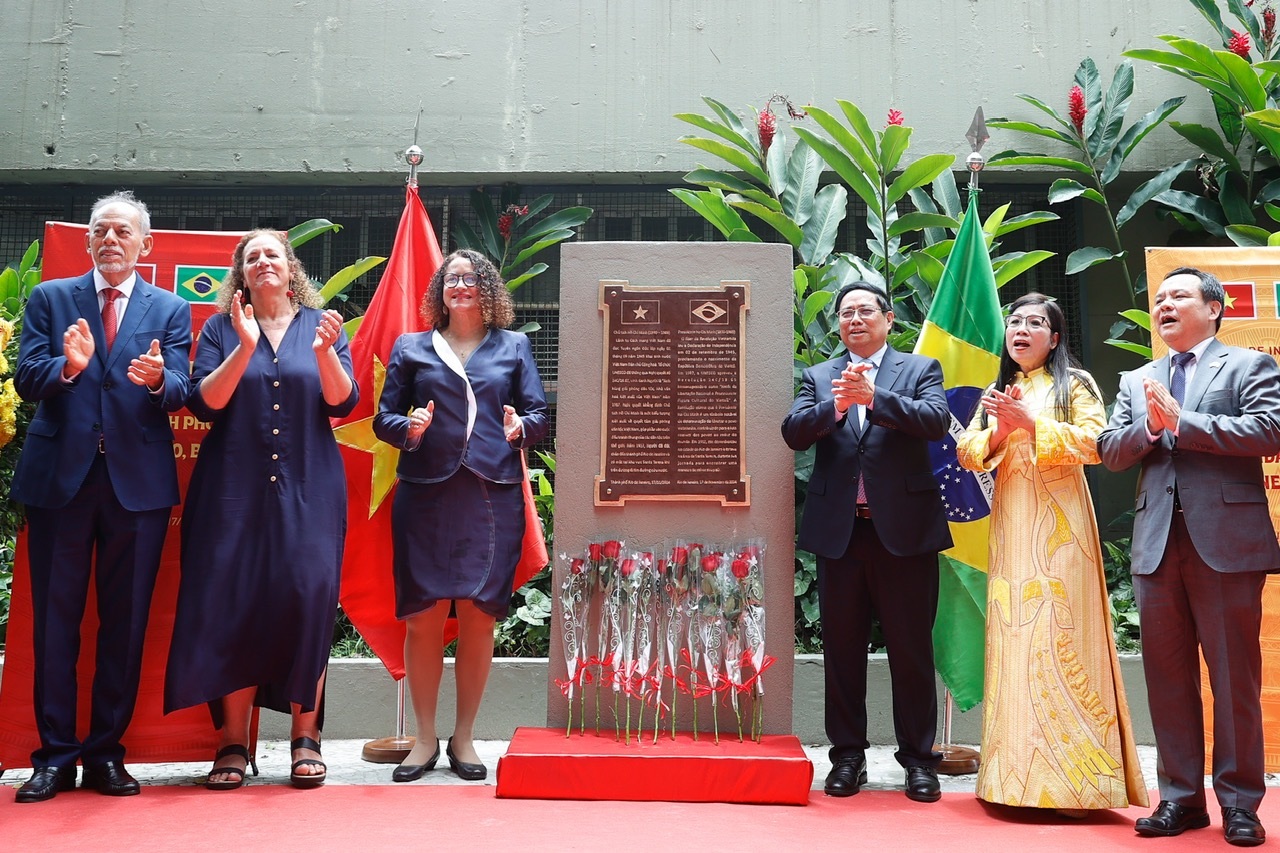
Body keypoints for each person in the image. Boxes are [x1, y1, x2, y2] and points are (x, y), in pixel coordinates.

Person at [10, 190, 192, 802]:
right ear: (88, 241)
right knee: (55, 625)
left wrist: (159, 379)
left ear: (146, 244)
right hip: (61, 482)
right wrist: (66, 366)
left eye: (123, 231)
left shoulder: (169, 308)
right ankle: (54, 757)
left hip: (134, 488)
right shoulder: (51, 298)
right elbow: (26, 376)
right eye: (100, 231)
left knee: (125, 625)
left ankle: (106, 755)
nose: (111, 239)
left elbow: (183, 390)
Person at [164, 229, 358, 791]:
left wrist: (324, 355)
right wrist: (245, 349)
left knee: (308, 598)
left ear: (290, 266)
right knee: (231, 603)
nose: (263, 262)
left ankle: (305, 737)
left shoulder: (321, 325)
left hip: (310, 486)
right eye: (252, 258)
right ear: (241, 275)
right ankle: (230, 741)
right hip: (231, 491)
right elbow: (203, 403)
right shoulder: (221, 329)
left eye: (272, 253)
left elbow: (343, 401)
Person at [1098, 266, 1280, 847]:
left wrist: (1185, 421)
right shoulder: (1138, 378)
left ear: (1215, 308)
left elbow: (1269, 430)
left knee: (1233, 680)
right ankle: (1180, 799)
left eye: (1178, 296)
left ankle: (1240, 804)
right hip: (1157, 547)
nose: (1164, 305)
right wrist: (1150, 432)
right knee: (1167, 680)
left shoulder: (1248, 365)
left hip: (1226, 544)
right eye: (1159, 299)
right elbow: (1110, 451)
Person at [956, 292, 1147, 816]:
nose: (1021, 329)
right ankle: (1010, 778)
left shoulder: (1075, 384)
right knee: (1014, 637)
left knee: (1061, 632)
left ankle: (1075, 784)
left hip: (1062, 528)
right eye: (1014, 322)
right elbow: (967, 454)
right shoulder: (1000, 389)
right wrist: (1001, 425)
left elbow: (1096, 443)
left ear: (1055, 338)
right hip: (1012, 525)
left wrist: (1032, 424)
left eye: (1035, 323)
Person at [373, 249, 547, 783]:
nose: (461, 286)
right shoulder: (412, 347)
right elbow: (384, 418)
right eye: (452, 279)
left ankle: (464, 737)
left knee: (478, 615)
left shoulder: (514, 347)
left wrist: (522, 429)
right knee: (423, 616)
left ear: (488, 288)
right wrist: (411, 428)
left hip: (491, 497)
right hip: (425, 495)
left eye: (472, 279)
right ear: (439, 291)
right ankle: (423, 739)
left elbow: (539, 414)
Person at [781, 281, 951, 803]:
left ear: (888, 317)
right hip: (842, 536)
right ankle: (847, 757)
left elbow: (936, 421)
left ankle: (919, 762)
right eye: (845, 313)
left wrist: (875, 398)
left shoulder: (919, 369)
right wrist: (834, 409)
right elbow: (791, 431)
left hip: (904, 534)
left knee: (911, 651)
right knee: (843, 651)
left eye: (864, 311)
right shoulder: (819, 375)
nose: (854, 319)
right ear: (837, 325)